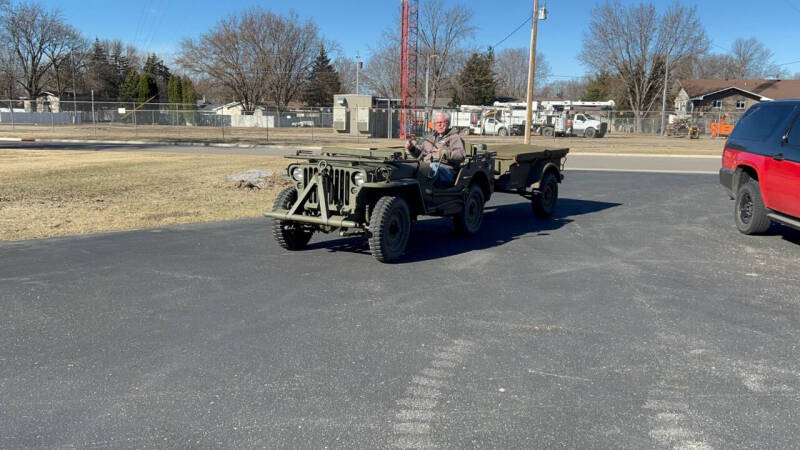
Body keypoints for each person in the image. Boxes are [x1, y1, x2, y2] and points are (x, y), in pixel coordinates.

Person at [404, 112, 466, 187]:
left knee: (433, 167)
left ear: (448, 123)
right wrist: (411, 148)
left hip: (447, 171)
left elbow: (461, 156)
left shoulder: (454, 137)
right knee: (409, 167)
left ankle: (424, 190)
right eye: (437, 123)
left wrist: (445, 153)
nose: (439, 125)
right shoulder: (430, 138)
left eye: (441, 122)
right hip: (428, 168)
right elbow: (418, 153)